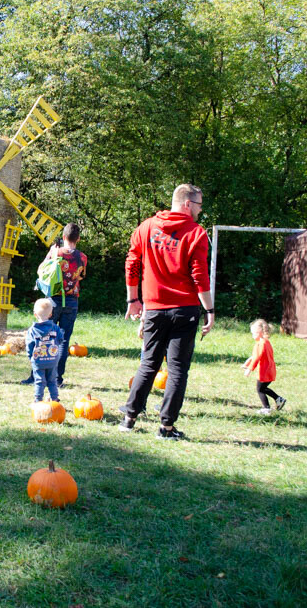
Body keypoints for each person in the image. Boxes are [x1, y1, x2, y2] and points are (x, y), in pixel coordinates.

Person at [120, 184, 214, 440]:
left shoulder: (146, 227)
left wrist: (133, 299)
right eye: (199, 205)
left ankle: (129, 418)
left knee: (149, 363)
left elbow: (132, 263)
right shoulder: (196, 233)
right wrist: (210, 309)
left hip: (154, 309)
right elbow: (200, 276)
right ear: (187, 204)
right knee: (177, 369)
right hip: (185, 309)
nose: (200, 211)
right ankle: (166, 427)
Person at [20, 223, 87, 387]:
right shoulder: (82, 257)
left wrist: (51, 252)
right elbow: (81, 277)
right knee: (63, 341)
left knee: (43, 337)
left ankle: (36, 376)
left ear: (63, 237)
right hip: (71, 301)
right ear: (78, 239)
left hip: (52, 301)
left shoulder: (55, 252)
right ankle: (57, 379)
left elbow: (41, 270)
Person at [242, 319, 286, 415]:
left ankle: (266, 408)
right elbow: (255, 355)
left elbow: (257, 357)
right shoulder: (266, 342)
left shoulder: (261, 343)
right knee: (263, 388)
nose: (252, 336)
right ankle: (279, 399)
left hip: (264, 371)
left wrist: (249, 369)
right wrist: (247, 362)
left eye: (253, 333)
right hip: (270, 369)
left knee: (260, 390)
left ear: (260, 332)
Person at [26, 298, 63, 403]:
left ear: (35, 314)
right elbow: (60, 339)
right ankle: (55, 399)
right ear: (50, 314)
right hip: (52, 360)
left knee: (39, 381)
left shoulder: (32, 330)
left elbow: (29, 345)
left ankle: (38, 400)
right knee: (52, 380)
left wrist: (31, 357)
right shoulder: (55, 328)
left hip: (38, 360)